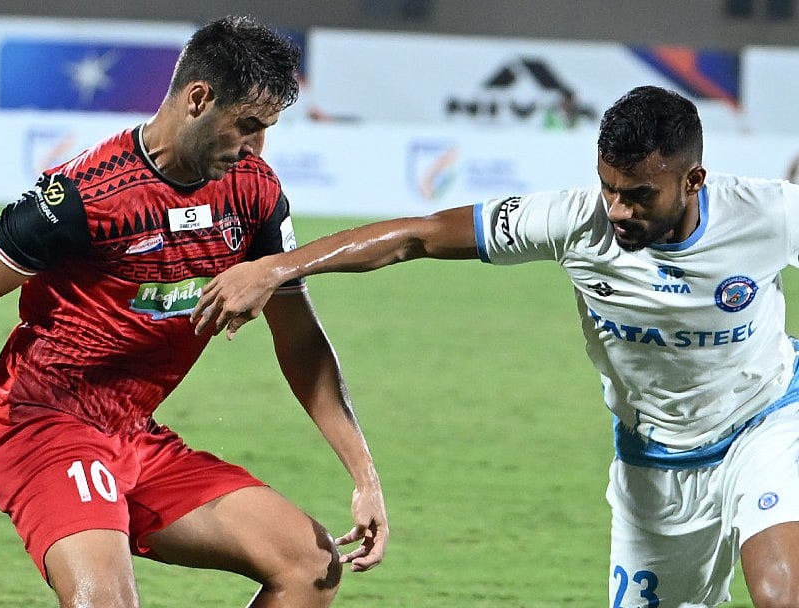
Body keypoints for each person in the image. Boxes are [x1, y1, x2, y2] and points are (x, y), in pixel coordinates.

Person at [191, 85, 799, 608]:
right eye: (609, 188)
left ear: (694, 179)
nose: (618, 209)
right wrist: (277, 268)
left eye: (639, 195)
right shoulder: (571, 220)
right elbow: (418, 237)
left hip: (764, 425)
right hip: (654, 461)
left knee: (779, 590)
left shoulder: (769, 214)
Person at [0, 15, 387, 608]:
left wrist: (364, 475)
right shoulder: (84, 194)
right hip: (44, 426)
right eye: (247, 125)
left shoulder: (255, 194)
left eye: (266, 129)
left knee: (309, 565)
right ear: (198, 99)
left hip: (133, 435)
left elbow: (301, 340)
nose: (255, 147)